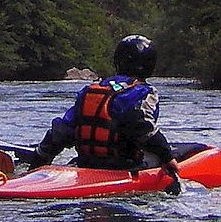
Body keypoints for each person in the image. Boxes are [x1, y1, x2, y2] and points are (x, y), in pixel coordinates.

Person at [19, 35, 206, 186]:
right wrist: (167, 157)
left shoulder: (91, 90)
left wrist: (38, 163)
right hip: (123, 168)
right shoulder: (144, 92)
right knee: (175, 153)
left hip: (86, 164)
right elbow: (142, 128)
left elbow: (61, 131)